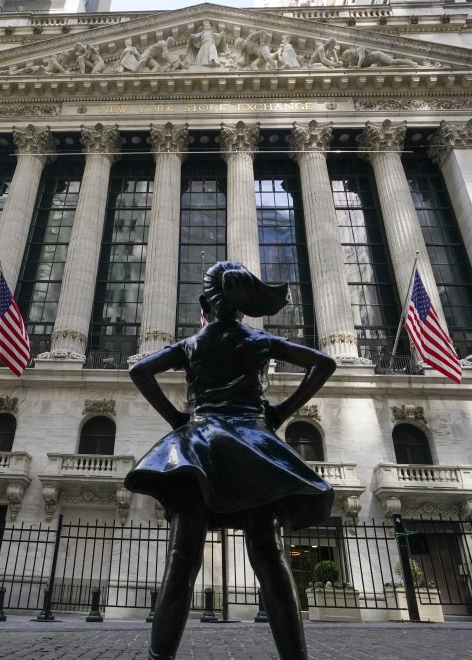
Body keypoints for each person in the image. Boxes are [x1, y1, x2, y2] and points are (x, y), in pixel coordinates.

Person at [125, 261, 336, 660]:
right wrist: (279, 413)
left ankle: (159, 657)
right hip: (254, 447)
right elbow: (323, 364)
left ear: (206, 301)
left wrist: (177, 420)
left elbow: (140, 371)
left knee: (183, 557)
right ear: (242, 306)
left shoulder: (191, 345)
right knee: (269, 558)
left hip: (198, 446)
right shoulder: (259, 340)